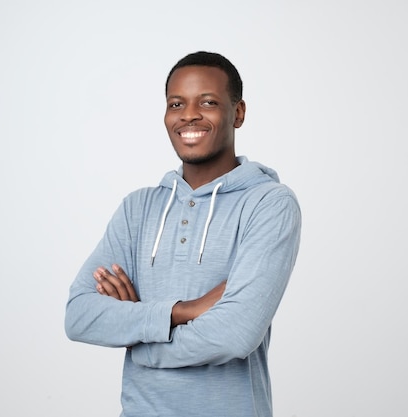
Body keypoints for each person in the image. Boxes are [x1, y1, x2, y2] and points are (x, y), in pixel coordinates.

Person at [64, 51, 301, 417]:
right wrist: (181, 311)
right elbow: (80, 315)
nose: (189, 114)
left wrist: (139, 340)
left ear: (237, 113)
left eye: (207, 102)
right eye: (177, 103)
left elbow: (235, 334)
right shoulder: (137, 209)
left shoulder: (269, 204)